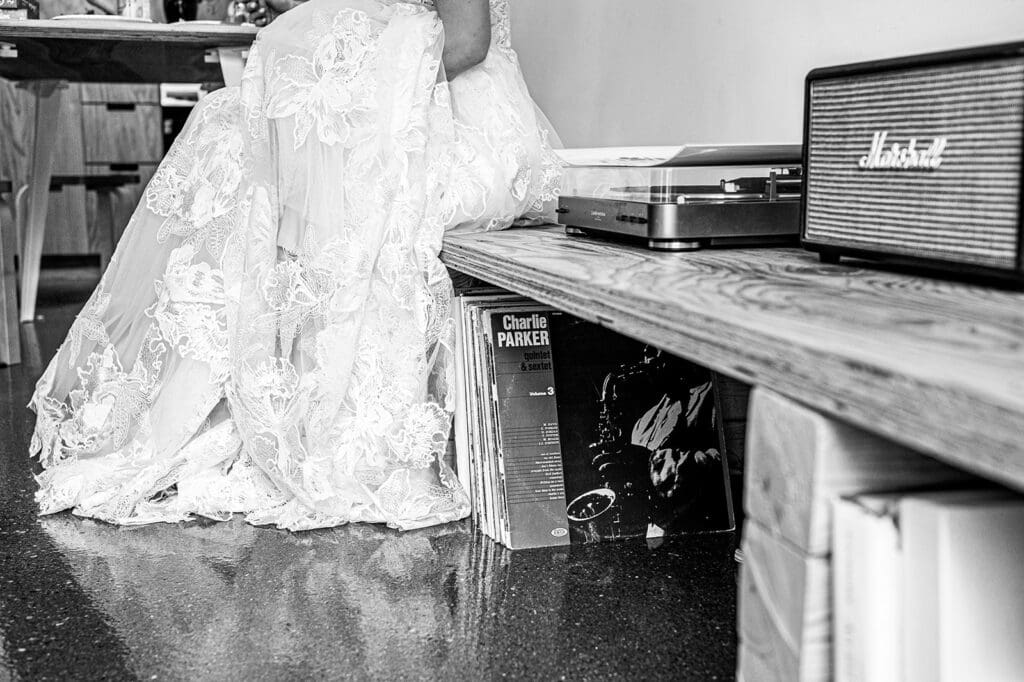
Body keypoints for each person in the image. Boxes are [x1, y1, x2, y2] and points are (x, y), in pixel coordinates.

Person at [29, 0, 562, 531]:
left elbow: (468, 41)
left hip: (445, 110)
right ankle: (209, 398)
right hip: (380, 90)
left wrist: (348, 91)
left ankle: (256, 398)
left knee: (244, 147)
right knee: (223, 125)